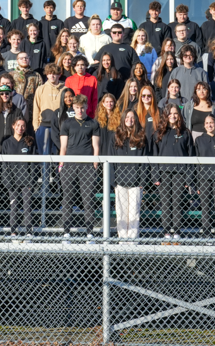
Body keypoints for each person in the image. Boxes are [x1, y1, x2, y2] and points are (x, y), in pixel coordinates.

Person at [59, 94, 101, 244]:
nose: (80, 110)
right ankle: (66, 233)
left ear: (86, 107)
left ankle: (90, 233)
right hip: (69, 164)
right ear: (73, 108)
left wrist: (94, 164)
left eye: (82, 107)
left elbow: (96, 146)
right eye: (77, 107)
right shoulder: (67, 123)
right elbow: (63, 146)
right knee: (68, 199)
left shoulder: (93, 123)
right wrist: (61, 164)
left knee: (88, 199)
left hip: (87, 165)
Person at [153, 104, 195, 241]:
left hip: (180, 173)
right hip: (163, 172)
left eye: (175, 113)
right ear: (165, 115)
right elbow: (154, 155)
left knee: (176, 203)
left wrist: (189, 178)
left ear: (179, 115)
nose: (173, 116)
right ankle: (166, 233)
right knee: (165, 203)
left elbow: (190, 156)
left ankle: (176, 232)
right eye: (170, 113)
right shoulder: (159, 132)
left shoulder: (186, 133)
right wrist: (155, 175)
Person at [111, 109, 149, 242]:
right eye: (127, 117)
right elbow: (110, 160)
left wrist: (142, 181)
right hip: (120, 182)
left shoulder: (141, 137)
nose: (130, 120)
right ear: (123, 119)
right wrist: (113, 182)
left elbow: (145, 161)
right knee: (121, 213)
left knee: (134, 213)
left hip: (135, 183)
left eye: (132, 118)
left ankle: (132, 241)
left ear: (136, 120)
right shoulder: (116, 136)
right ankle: (123, 240)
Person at [1, 117, 37, 240]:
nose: (20, 128)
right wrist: (7, 181)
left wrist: (32, 180)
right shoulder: (6, 143)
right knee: (14, 207)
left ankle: (28, 232)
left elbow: (34, 163)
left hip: (26, 181)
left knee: (27, 206)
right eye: (18, 125)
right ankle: (13, 232)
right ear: (13, 126)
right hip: (12, 181)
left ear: (25, 128)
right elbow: (4, 164)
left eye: (23, 126)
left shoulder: (29, 142)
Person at [194, 114, 215, 239]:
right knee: (205, 208)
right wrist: (196, 183)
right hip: (203, 179)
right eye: (207, 123)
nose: (209, 125)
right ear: (204, 125)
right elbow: (196, 163)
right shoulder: (199, 140)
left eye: (211, 123)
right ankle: (207, 235)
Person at [33, 64, 65, 154]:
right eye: (50, 73)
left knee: (57, 153)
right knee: (44, 154)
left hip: (59, 127)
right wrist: (36, 127)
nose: (52, 76)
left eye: (54, 73)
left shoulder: (65, 89)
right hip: (43, 126)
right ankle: (44, 169)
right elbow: (36, 108)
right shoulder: (40, 89)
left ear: (59, 74)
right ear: (46, 75)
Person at [50, 88, 76, 154]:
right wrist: (62, 148)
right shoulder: (57, 113)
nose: (68, 99)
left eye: (71, 96)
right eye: (65, 97)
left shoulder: (78, 112)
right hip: (61, 149)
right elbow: (54, 133)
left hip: (76, 148)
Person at [137, 85, 160, 149]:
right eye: (143, 95)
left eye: (149, 95)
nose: (146, 97)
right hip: (141, 146)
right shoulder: (136, 112)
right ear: (140, 97)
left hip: (155, 146)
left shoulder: (159, 112)